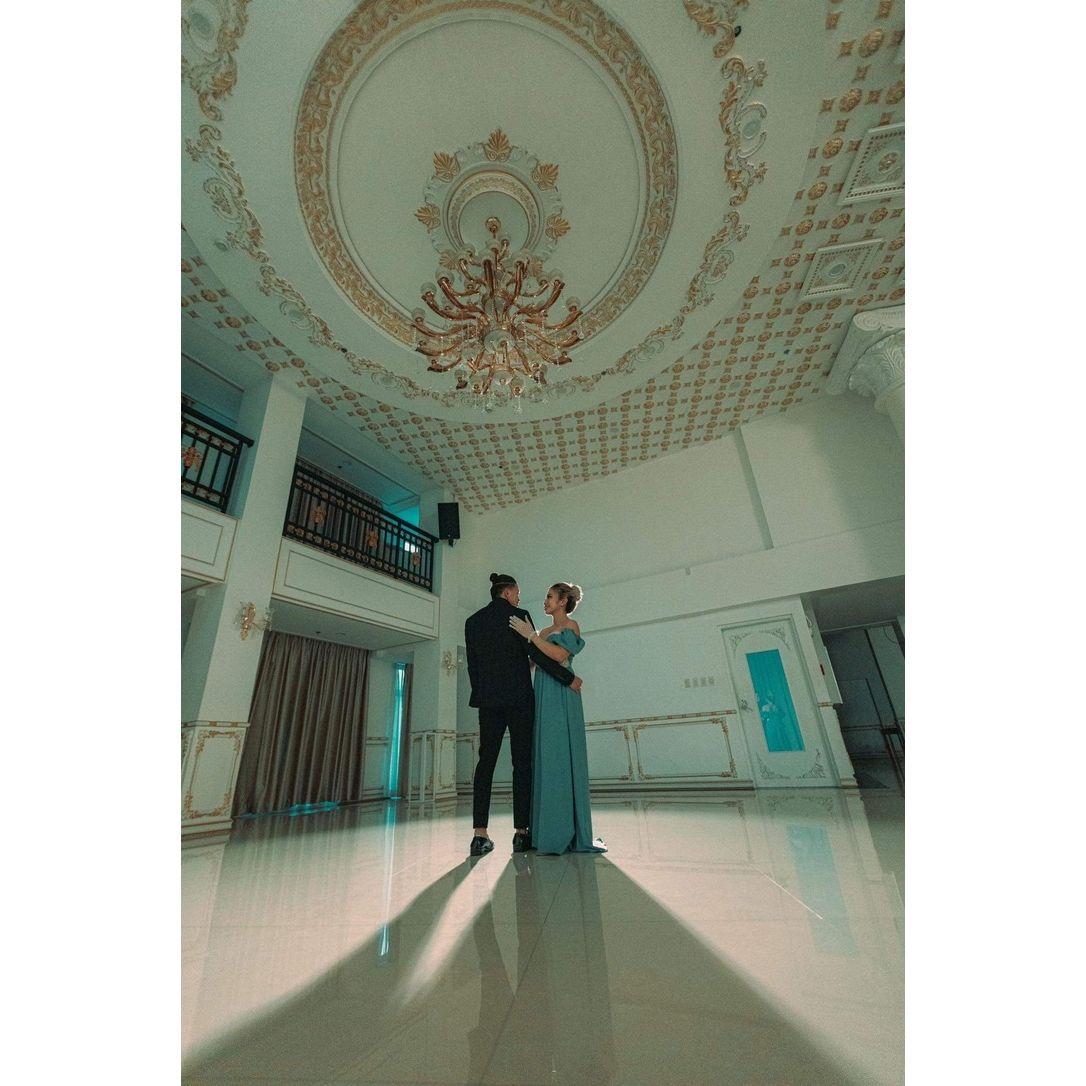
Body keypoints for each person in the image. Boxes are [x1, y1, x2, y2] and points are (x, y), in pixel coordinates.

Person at [464, 573, 582, 857]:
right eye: (517, 593)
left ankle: (480, 835)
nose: (519, 598)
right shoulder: (519, 616)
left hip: (488, 703)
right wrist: (567, 679)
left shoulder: (473, 622)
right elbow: (538, 656)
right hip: (519, 701)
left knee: (485, 764)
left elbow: (472, 666)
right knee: (522, 764)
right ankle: (521, 833)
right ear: (508, 592)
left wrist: (481, 695)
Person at [509, 583, 606, 855]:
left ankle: (569, 832)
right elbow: (533, 662)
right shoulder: (542, 632)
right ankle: (546, 832)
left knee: (563, 755)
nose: (545, 601)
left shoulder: (570, 626)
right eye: (546, 597)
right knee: (547, 757)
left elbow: (559, 655)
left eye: (550, 597)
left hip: (563, 694)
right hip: (542, 693)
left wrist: (531, 636)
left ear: (563, 601)